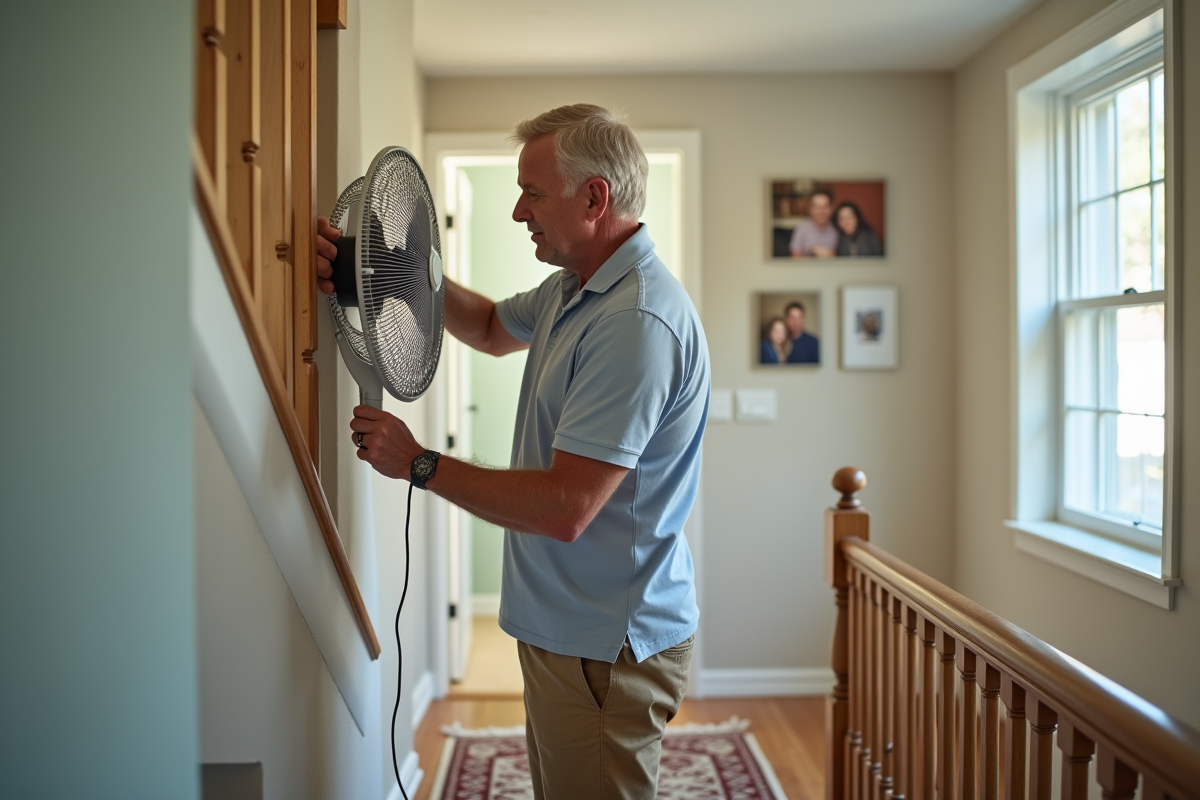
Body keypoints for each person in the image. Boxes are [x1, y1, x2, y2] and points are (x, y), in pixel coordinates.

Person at [315, 104, 709, 800]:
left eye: (534, 192)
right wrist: (385, 269)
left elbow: (565, 509)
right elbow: (494, 326)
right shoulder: (574, 286)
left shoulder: (635, 322)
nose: (519, 211)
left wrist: (419, 463)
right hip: (569, 630)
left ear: (594, 198)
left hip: (603, 645)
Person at [788, 188, 838, 258]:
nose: (821, 211)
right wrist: (813, 253)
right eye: (817, 207)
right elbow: (794, 257)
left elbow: (841, 258)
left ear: (831, 208)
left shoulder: (837, 229)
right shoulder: (802, 228)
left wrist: (829, 254)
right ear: (811, 209)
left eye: (825, 206)